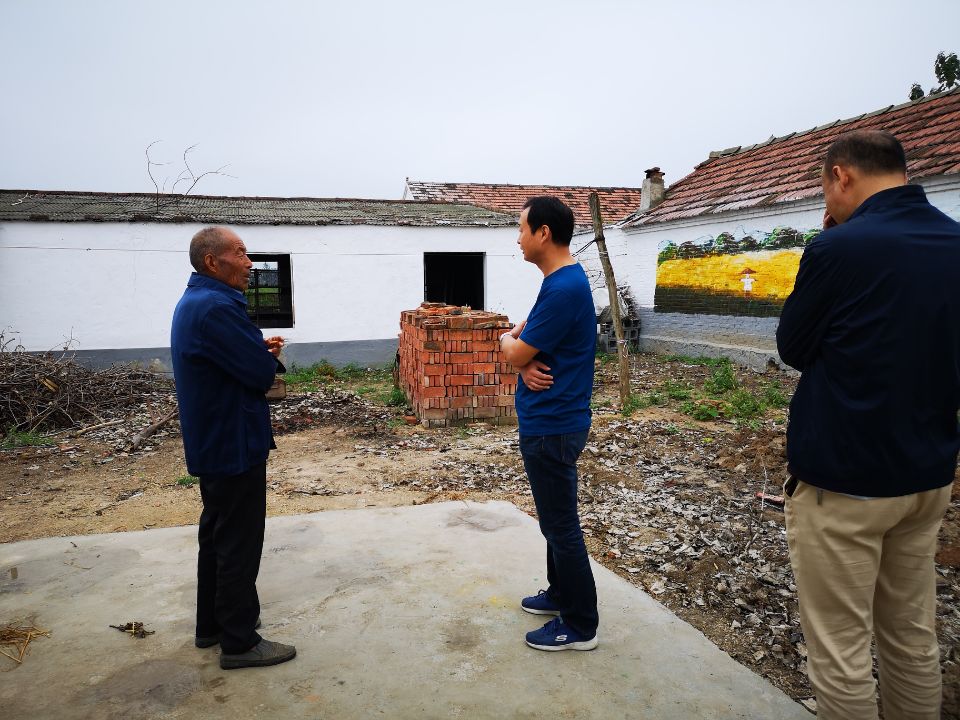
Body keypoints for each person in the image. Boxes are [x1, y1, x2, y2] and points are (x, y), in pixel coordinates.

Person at [776, 130, 960, 719]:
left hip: (845, 478)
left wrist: (830, 245)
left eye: (823, 188)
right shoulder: (954, 240)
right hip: (927, 473)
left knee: (841, 650)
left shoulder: (838, 248)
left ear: (842, 175)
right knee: (912, 635)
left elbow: (794, 348)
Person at [171, 226, 296, 670]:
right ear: (212, 261)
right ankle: (240, 642)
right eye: (241, 254)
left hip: (214, 438)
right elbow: (260, 376)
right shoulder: (218, 307)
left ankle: (212, 625)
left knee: (217, 535)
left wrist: (253, 349)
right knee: (238, 542)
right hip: (233, 442)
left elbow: (228, 360)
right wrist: (263, 358)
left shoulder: (199, 302)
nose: (249, 263)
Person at [500, 196, 599, 651]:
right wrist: (522, 360)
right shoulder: (561, 281)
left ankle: (580, 625)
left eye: (522, 229)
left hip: (553, 424)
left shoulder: (563, 288)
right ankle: (560, 593)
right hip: (552, 420)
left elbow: (518, 346)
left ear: (543, 233)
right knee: (554, 522)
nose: (518, 238)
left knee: (561, 526)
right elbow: (532, 348)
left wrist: (508, 342)